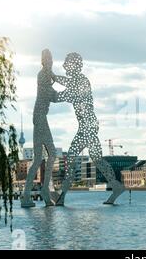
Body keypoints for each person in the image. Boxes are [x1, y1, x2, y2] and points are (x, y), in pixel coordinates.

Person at [52, 53, 125, 205]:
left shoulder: (82, 81)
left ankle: (61, 196)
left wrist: (51, 93)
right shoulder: (77, 80)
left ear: (74, 65)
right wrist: (53, 77)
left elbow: (67, 94)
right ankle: (117, 187)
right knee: (97, 159)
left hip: (87, 126)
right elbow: (67, 82)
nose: (65, 67)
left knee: (71, 158)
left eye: (67, 64)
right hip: (89, 125)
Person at [21, 49, 59, 207]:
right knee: (51, 154)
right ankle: (40, 191)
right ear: (43, 61)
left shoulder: (47, 74)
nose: (50, 61)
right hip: (40, 118)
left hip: (40, 117)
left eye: (51, 59)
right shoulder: (43, 75)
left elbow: (53, 86)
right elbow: (50, 95)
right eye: (48, 59)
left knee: (39, 159)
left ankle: (29, 195)